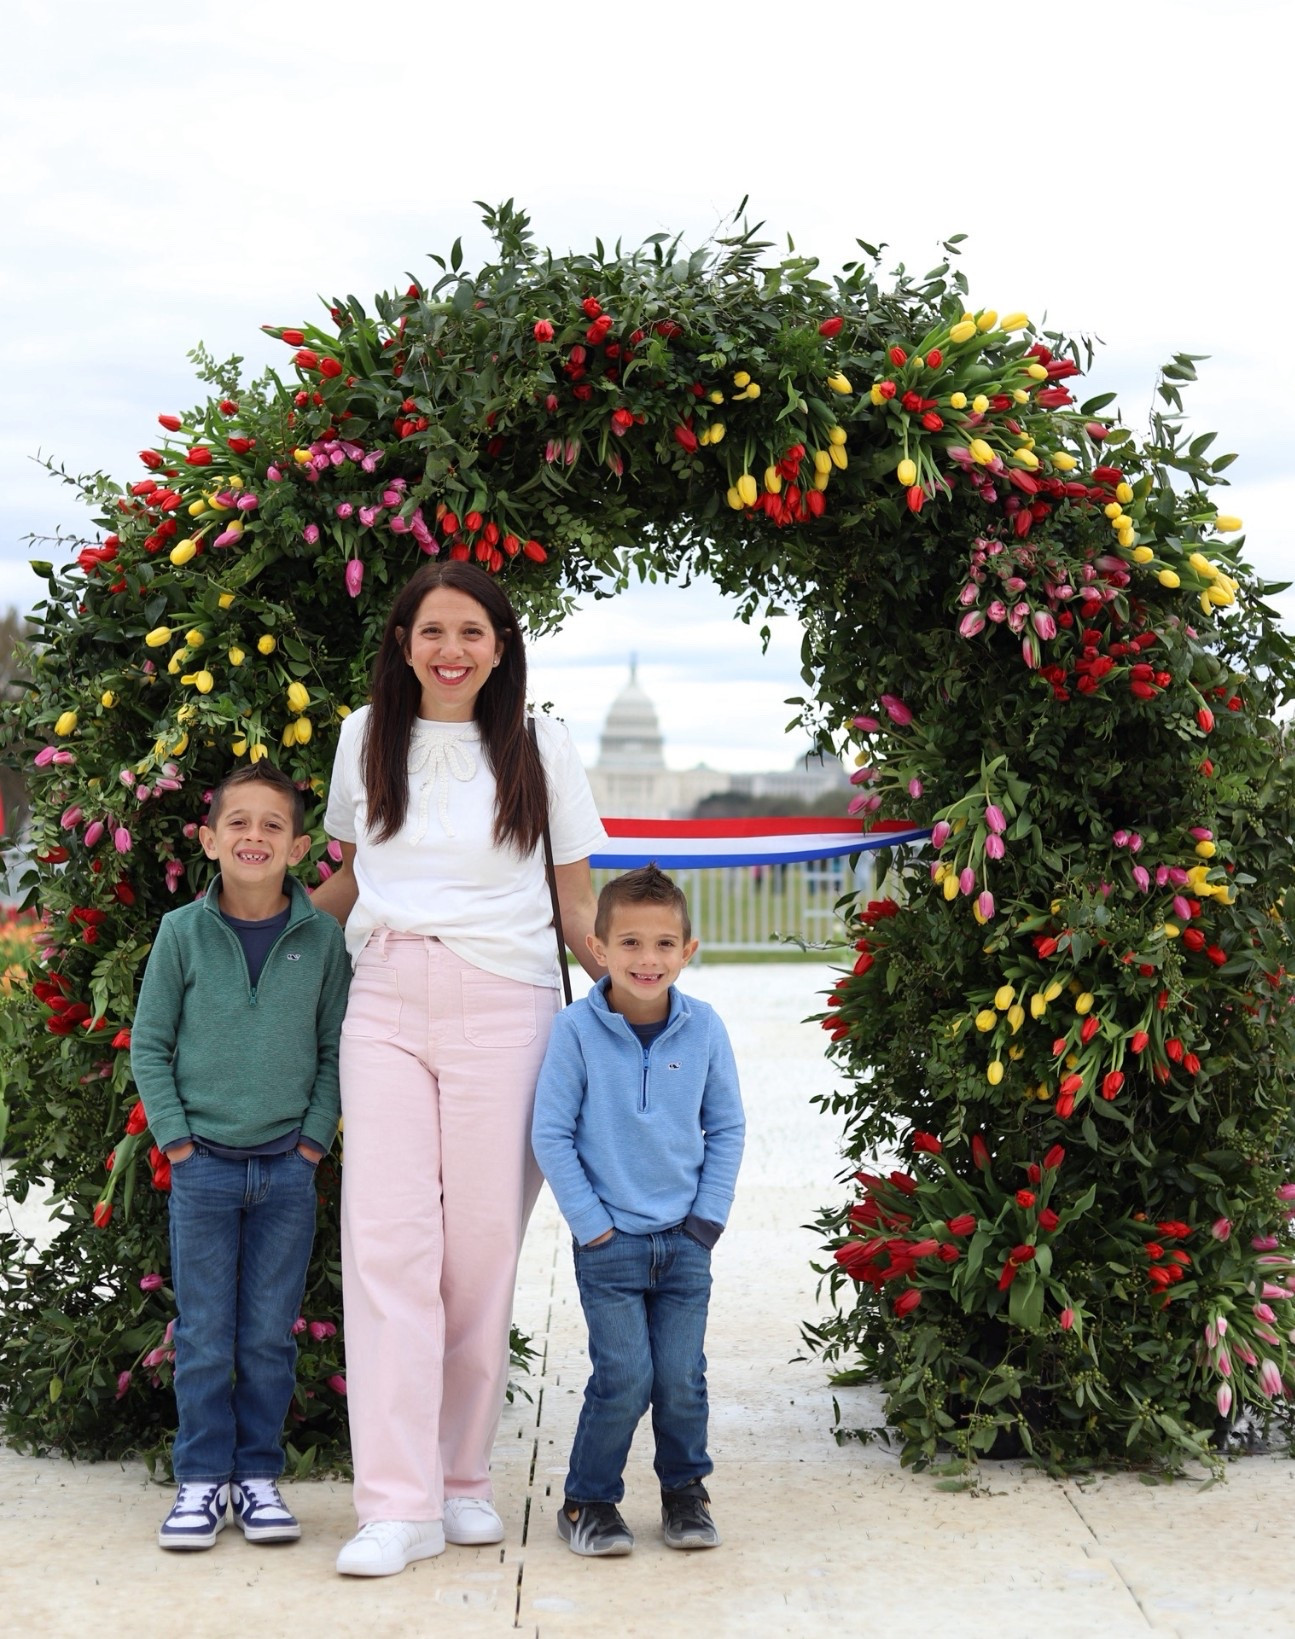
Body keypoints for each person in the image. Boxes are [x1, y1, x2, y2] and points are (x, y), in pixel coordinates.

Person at [313, 560, 606, 1578]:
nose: (450, 649)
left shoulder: (540, 745)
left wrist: (633, 982)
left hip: (507, 1007)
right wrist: (253, 949)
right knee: (387, 1246)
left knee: (477, 1252)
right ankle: (397, 1506)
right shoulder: (363, 736)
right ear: (402, 644)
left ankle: (463, 1478)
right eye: (431, 630)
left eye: (471, 632)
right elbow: (357, 873)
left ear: (500, 646)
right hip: (385, 1002)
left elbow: (576, 904)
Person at [131, 760, 350, 1551]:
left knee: (266, 1334)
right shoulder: (180, 934)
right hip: (205, 1169)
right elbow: (150, 1047)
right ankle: (199, 1482)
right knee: (203, 1334)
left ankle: (255, 1478)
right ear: (209, 837)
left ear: (298, 847)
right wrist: (179, 1142)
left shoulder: (321, 940)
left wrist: (312, 1141)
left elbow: (334, 1050)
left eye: (272, 824)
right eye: (239, 822)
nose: (254, 835)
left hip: (286, 1170)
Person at [531, 864, 745, 1557]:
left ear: (688, 949)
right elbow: (550, 1134)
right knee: (624, 1377)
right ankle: (587, 1500)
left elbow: (728, 1126)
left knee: (681, 1378)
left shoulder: (704, 1028)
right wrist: (592, 1225)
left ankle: (685, 1492)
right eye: (627, 942)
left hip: (685, 1241)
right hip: (610, 1244)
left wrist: (705, 1220)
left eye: (661, 944)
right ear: (596, 948)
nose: (645, 959)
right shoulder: (575, 1031)